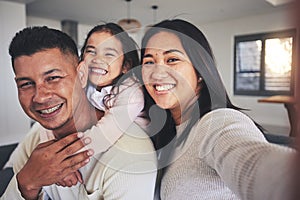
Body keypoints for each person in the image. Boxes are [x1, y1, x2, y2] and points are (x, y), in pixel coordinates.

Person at [138, 19, 297, 200]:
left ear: (200, 72)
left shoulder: (218, 122)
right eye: (149, 62)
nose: (157, 74)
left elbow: (256, 166)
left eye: (172, 59)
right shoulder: (166, 133)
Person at [0, 26, 156, 200]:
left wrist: (69, 160)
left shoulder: (131, 153)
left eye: (53, 78)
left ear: (82, 75)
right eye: (26, 84)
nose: (40, 97)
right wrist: (26, 184)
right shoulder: (37, 136)